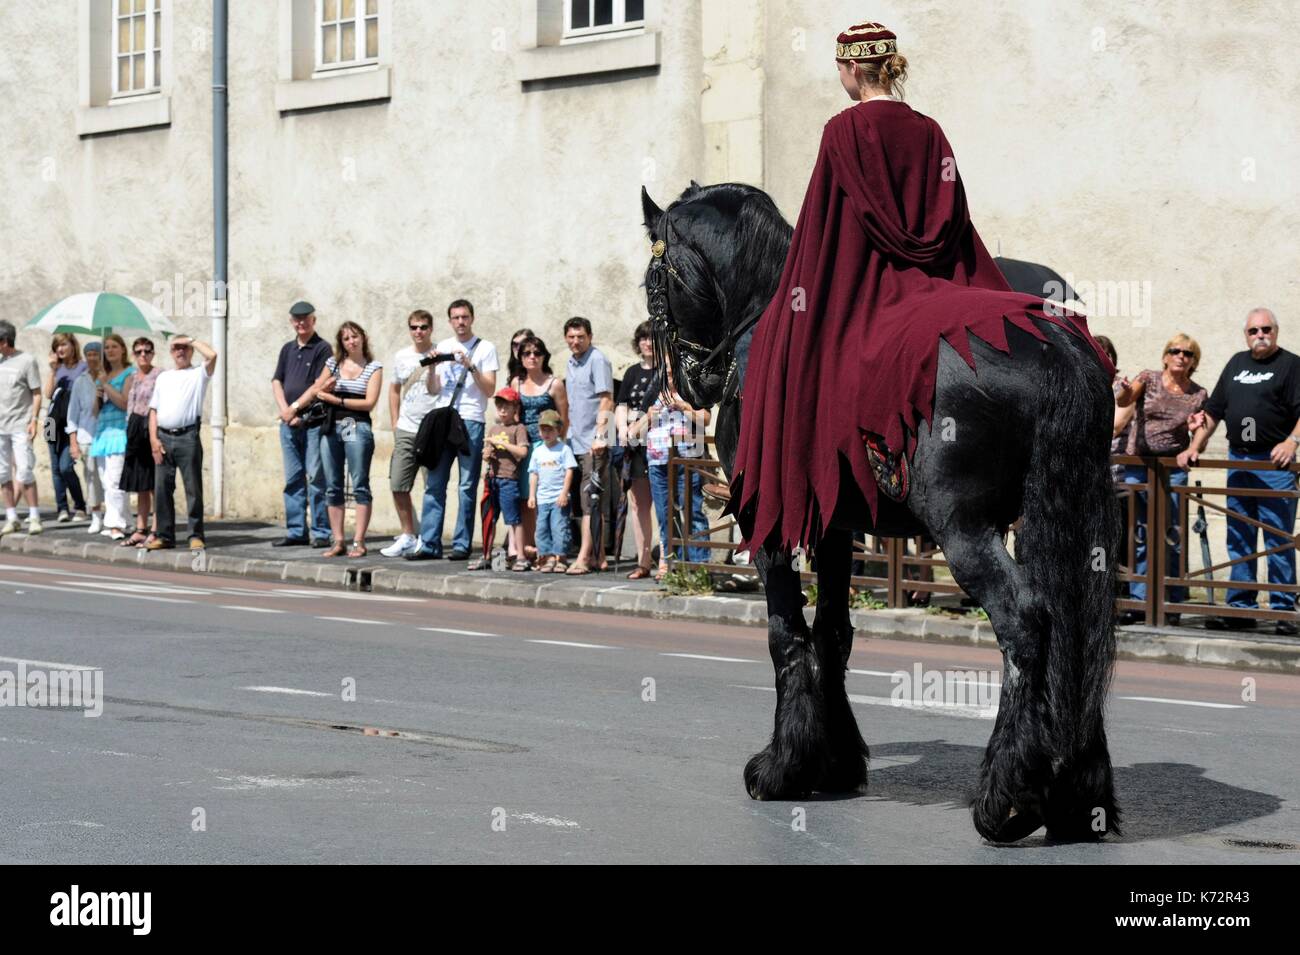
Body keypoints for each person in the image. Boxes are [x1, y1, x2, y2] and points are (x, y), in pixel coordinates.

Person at [729, 22, 1111, 555]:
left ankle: (791, 486)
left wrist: (804, 303)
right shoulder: (931, 131)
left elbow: (825, 228)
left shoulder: (842, 130)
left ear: (849, 69)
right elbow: (952, 220)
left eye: (839, 68)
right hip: (940, 283)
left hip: (872, 289)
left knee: (781, 341)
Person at [1180, 308, 1300, 635]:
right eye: (1253, 331)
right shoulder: (1236, 363)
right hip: (1237, 461)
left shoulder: (1291, 365)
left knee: (1277, 538)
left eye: (1266, 329)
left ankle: (1283, 610)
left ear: (1276, 331)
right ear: (1245, 335)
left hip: (1274, 465)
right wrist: (1195, 446)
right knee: (1240, 537)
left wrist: (1293, 441)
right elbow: (1214, 411)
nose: (1260, 335)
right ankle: (1241, 609)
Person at [1114, 334, 1207, 623]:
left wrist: (1195, 440)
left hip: (1172, 469)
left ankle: (1173, 602)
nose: (1181, 356)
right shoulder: (1149, 378)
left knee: (1173, 535)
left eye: (1188, 353)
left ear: (1194, 361)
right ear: (1165, 356)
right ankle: (1140, 602)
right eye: (1175, 351)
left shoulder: (1197, 393)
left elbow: (1202, 428)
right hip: (1139, 465)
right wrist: (1122, 391)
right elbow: (1126, 399)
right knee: (1139, 533)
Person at [405, 299, 498, 561]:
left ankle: (461, 544)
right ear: (449, 321)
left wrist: (470, 365)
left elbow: (490, 390)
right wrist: (434, 365)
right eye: (456, 318)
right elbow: (433, 390)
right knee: (434, 483)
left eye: (465, 317)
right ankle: (430, 543)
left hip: (470, 419)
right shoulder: (443, 347)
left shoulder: (485, 348)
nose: (460, 322)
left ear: (472, 318)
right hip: (443, 418)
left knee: (467, 485)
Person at [298, 321, 382, 558]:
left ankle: (358, 541)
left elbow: (369, 402)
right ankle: (338, 541)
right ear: (341, 343)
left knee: (359, 484)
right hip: (331, 424)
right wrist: (325, 389)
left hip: (354, 423)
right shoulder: (333, 363)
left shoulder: (373, 367)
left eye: (355, 337)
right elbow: (316, 389)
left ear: (363, 338)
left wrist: (336, 400)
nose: (351, 342)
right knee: (332, 484)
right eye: (346, 339)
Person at [146, 335, 218, 551]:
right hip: (163, 437)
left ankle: (195, 535)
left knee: (193, 489)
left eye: (184, 348)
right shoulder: (163, 377)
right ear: (170, 352)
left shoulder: (198, 374)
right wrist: (153, 439)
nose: (181, 352)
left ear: (191, 351)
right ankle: (165, 535)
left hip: (188, 437)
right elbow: (153, 411)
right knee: (161, 489)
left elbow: (213, 355)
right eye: (176, 348)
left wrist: (192, 339)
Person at [271, 301, 333, 547]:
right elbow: (277, 381)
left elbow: (318, 386)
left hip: (312, 423)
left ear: (313, 320)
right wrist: (285, 411)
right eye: (296, 319)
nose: (301, 323)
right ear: (291, 321)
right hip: (288, 424)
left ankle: (321, 532)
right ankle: (296, 530)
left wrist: (295, 409)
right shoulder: (287, 349)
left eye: (305, 318)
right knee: (293, 478)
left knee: (316, 478)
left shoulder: (322, 348)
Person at [637, 374, 711, 579]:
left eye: (672, 371)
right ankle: (671, 565)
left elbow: (705, 419)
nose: (669, 375)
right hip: (658, 463)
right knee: (664, 516)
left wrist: (685, 407)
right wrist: (647, 417)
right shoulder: (653, 393)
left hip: (687, 459)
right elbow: (633, 432)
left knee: (693, 513)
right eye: (666, 371)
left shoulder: (691, 391)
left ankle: (700, 568)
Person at [381, 309, 438, 558]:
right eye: (414, 327)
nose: (419, 332)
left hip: (431, 430)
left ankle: (427, 536)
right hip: (406, 427)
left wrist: (434, 366)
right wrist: (395, 422)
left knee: (432, 487)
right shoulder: (402, 356)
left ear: (431, 329)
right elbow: (394, 389)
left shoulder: (439, 352)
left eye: (423, 327)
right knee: (398, 483)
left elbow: (438, 390)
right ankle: (407, 534)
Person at [509, 334, 568, 561]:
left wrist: (557, 446)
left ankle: (550, 547)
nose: (532, 357)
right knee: (526, 497)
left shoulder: (555, 384)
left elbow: (564, 417)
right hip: (524, 447)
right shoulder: (517, 383)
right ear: (521, 357)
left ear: (544, 356)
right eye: (527, 353)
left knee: (548, 497)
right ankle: (529, 546)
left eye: (537, 353)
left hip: (548, 447)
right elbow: (513, 416)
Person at [562, 317, 613, 574]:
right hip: (576, 439)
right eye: (571, 337)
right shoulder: (571, 362)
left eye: (580, 336)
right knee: (589, 501)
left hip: (595, 441)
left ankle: (582, 558)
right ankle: (598, 557)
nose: (576, 341)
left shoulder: (597, 359)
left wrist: (601, 436)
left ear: (590, 336)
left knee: (590, 502)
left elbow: (607, 400)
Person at [615, 322, 657, 578]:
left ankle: (666, 561)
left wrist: (635, 426)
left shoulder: (665, 371)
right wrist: (621, 429)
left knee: (664, 505)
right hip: (634, 447)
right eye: (643, 338)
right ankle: (644, 561)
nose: (647, 343)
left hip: (659, 445)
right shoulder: (631, 372)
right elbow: (621, 404)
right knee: (638, 505)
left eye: (652, 338)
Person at [471, 387, 529, 571]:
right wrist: (487, 454)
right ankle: (486, 555)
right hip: (492, 479)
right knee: (489, 518)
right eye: (500, 407)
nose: (503, 411)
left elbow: (522, 452)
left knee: (514, 519)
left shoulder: (518, 428)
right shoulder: (494, 428)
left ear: (515, 408)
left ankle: (520, 557)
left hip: (508, 480)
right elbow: (487, 454)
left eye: (507, 407)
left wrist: (503, 443)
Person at [89, 334, 135, 541]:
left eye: (114, 346)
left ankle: (115, 524)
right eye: (106, 348)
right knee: (106, 481)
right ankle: (126, 520)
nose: (110, 351)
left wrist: (107, 385)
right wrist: (99, 391)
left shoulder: (129, 373)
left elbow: (125, 403)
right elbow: (95, 411)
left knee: (116, 480)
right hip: (103, 431)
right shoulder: (103, 375)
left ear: (123, 349)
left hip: (119, 431)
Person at [0, 319, 43, 536]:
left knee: (25, 470)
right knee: (3, 474)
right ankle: (12, 517)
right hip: (0, 428)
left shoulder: (27, 361)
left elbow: (36, 392)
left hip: (20, 425)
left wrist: (34, 420)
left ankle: (34, 516)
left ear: (4, 341)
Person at [119, 337, 161, 548]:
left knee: (155, 484)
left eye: (147, 351)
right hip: (134, 429)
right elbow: (127, 404)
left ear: (153, 353)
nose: (143, 355)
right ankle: (140, 529)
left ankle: (156, 529)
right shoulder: (132, 377)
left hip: (152, 428)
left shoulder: (160, 375)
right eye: (138, 352)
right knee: (140, 484)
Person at [43, 332, 87, 522]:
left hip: (71, 423)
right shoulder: (56, 368)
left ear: (72, 346)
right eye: (56, 346)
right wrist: (53, 371)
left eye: (63, 345)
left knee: (66, 466)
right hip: (52, 422)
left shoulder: (83, 367)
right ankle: (62, 508)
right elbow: (47, 394)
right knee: (55, 468)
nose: (60, 349)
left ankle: (80, 506)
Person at [528, 409, 577, 573]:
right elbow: (534, 474)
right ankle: (547, 557)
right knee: (541, 528)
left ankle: (561, 558)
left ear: (558, 430)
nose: (546, 433)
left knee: (559, 527)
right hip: (542, 499)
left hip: (558, 498)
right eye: (543, 429)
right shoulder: (537, 451)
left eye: (550, 429)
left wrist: (564, 493)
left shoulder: (564, 450)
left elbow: (569, 471)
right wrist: (531, 495)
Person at [65, 341, 105, 534]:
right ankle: (96, 517)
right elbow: (72, 415)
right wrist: (73, 442)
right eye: (88, 354)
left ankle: (117, 517)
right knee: (91, 480)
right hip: (86, 437)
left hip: (108, 436)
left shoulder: (110, 378)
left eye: (95, 354)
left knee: (111, 480)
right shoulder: (80, 381)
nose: (92, 358)